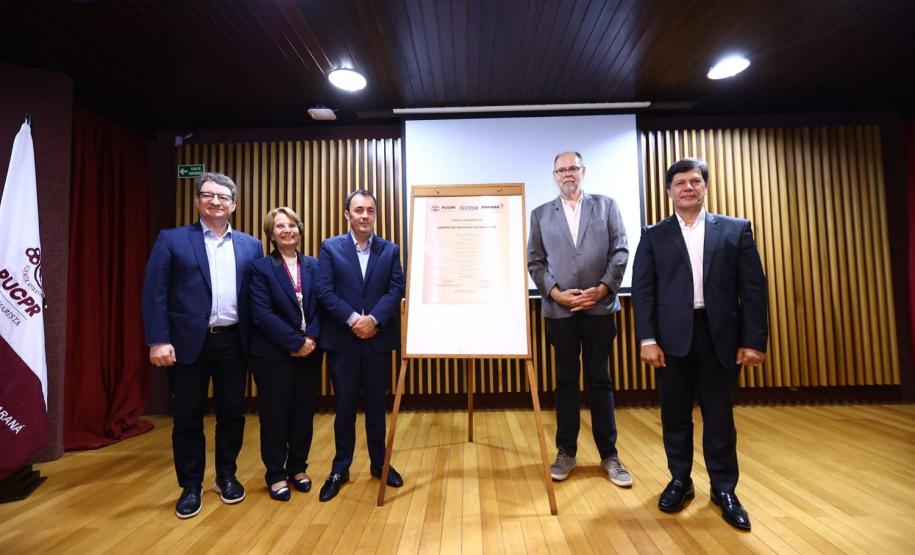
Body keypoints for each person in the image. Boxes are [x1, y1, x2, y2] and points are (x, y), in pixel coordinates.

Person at [631, 158, 768, 531]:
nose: (688, 187)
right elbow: (643, 292)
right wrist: (647, 339)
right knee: (675, 415)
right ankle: (680, 481)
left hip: (719, 336)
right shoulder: (654, 235)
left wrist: (753, 340)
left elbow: (753, 289)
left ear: (705, 186)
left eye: (695, 181)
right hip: (671, 340)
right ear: (669, 191)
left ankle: (724, 489)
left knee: (720, 416)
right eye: (680, 183)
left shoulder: (735, 230)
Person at [142, 172, 263, 519]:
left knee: (232, 415)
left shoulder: (249, 245)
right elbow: (155, 293)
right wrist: (158, 339)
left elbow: (255, 297)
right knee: (187, 418)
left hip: (233, 343)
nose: (216, 201)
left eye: (223, 197)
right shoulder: (172, 240)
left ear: (234, 205)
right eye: (208, 195)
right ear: (197, 200)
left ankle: (226, 476)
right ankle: (190, 486)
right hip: (186, 344)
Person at [527, 150, 633, 487]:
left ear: (583, 171)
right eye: (562, 169)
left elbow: (620, 251)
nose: (568, 174)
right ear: (554, 175)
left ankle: (610, 456)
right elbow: (535, 261)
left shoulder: (607, 206)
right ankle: (566, 452)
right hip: (560, 311)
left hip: (599, 309)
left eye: (574, 168)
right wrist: (555, 292)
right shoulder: (540, 214)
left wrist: (602, 289)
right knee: (566, 382)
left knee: (600, 380)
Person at [314, 189, 406, 502]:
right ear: (347, 215)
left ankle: (380, 463)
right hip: (344, 341)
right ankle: (340, 467)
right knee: (344, 407)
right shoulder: (331, 248)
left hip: (377, 342)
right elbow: (324, 291)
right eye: (358, 210)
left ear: (375, 215)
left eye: (369, 210)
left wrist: (374, 320)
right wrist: (355, 319)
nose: (364, 215)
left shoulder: (390, 250)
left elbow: (396, 289)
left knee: (377, 407)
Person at [248, 207, 321, 501]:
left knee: (303, 413)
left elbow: (324, 305)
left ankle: (298, 468)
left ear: (300, 230)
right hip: (274, 354)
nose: (287, 230)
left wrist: (311, 338)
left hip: (311, 351)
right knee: (275, 414)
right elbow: (262, 314)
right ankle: (276, 473)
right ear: (271, 234)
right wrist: (295, 341)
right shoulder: (261, 268)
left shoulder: (316, 266)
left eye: (292, 225)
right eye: (280, 226)